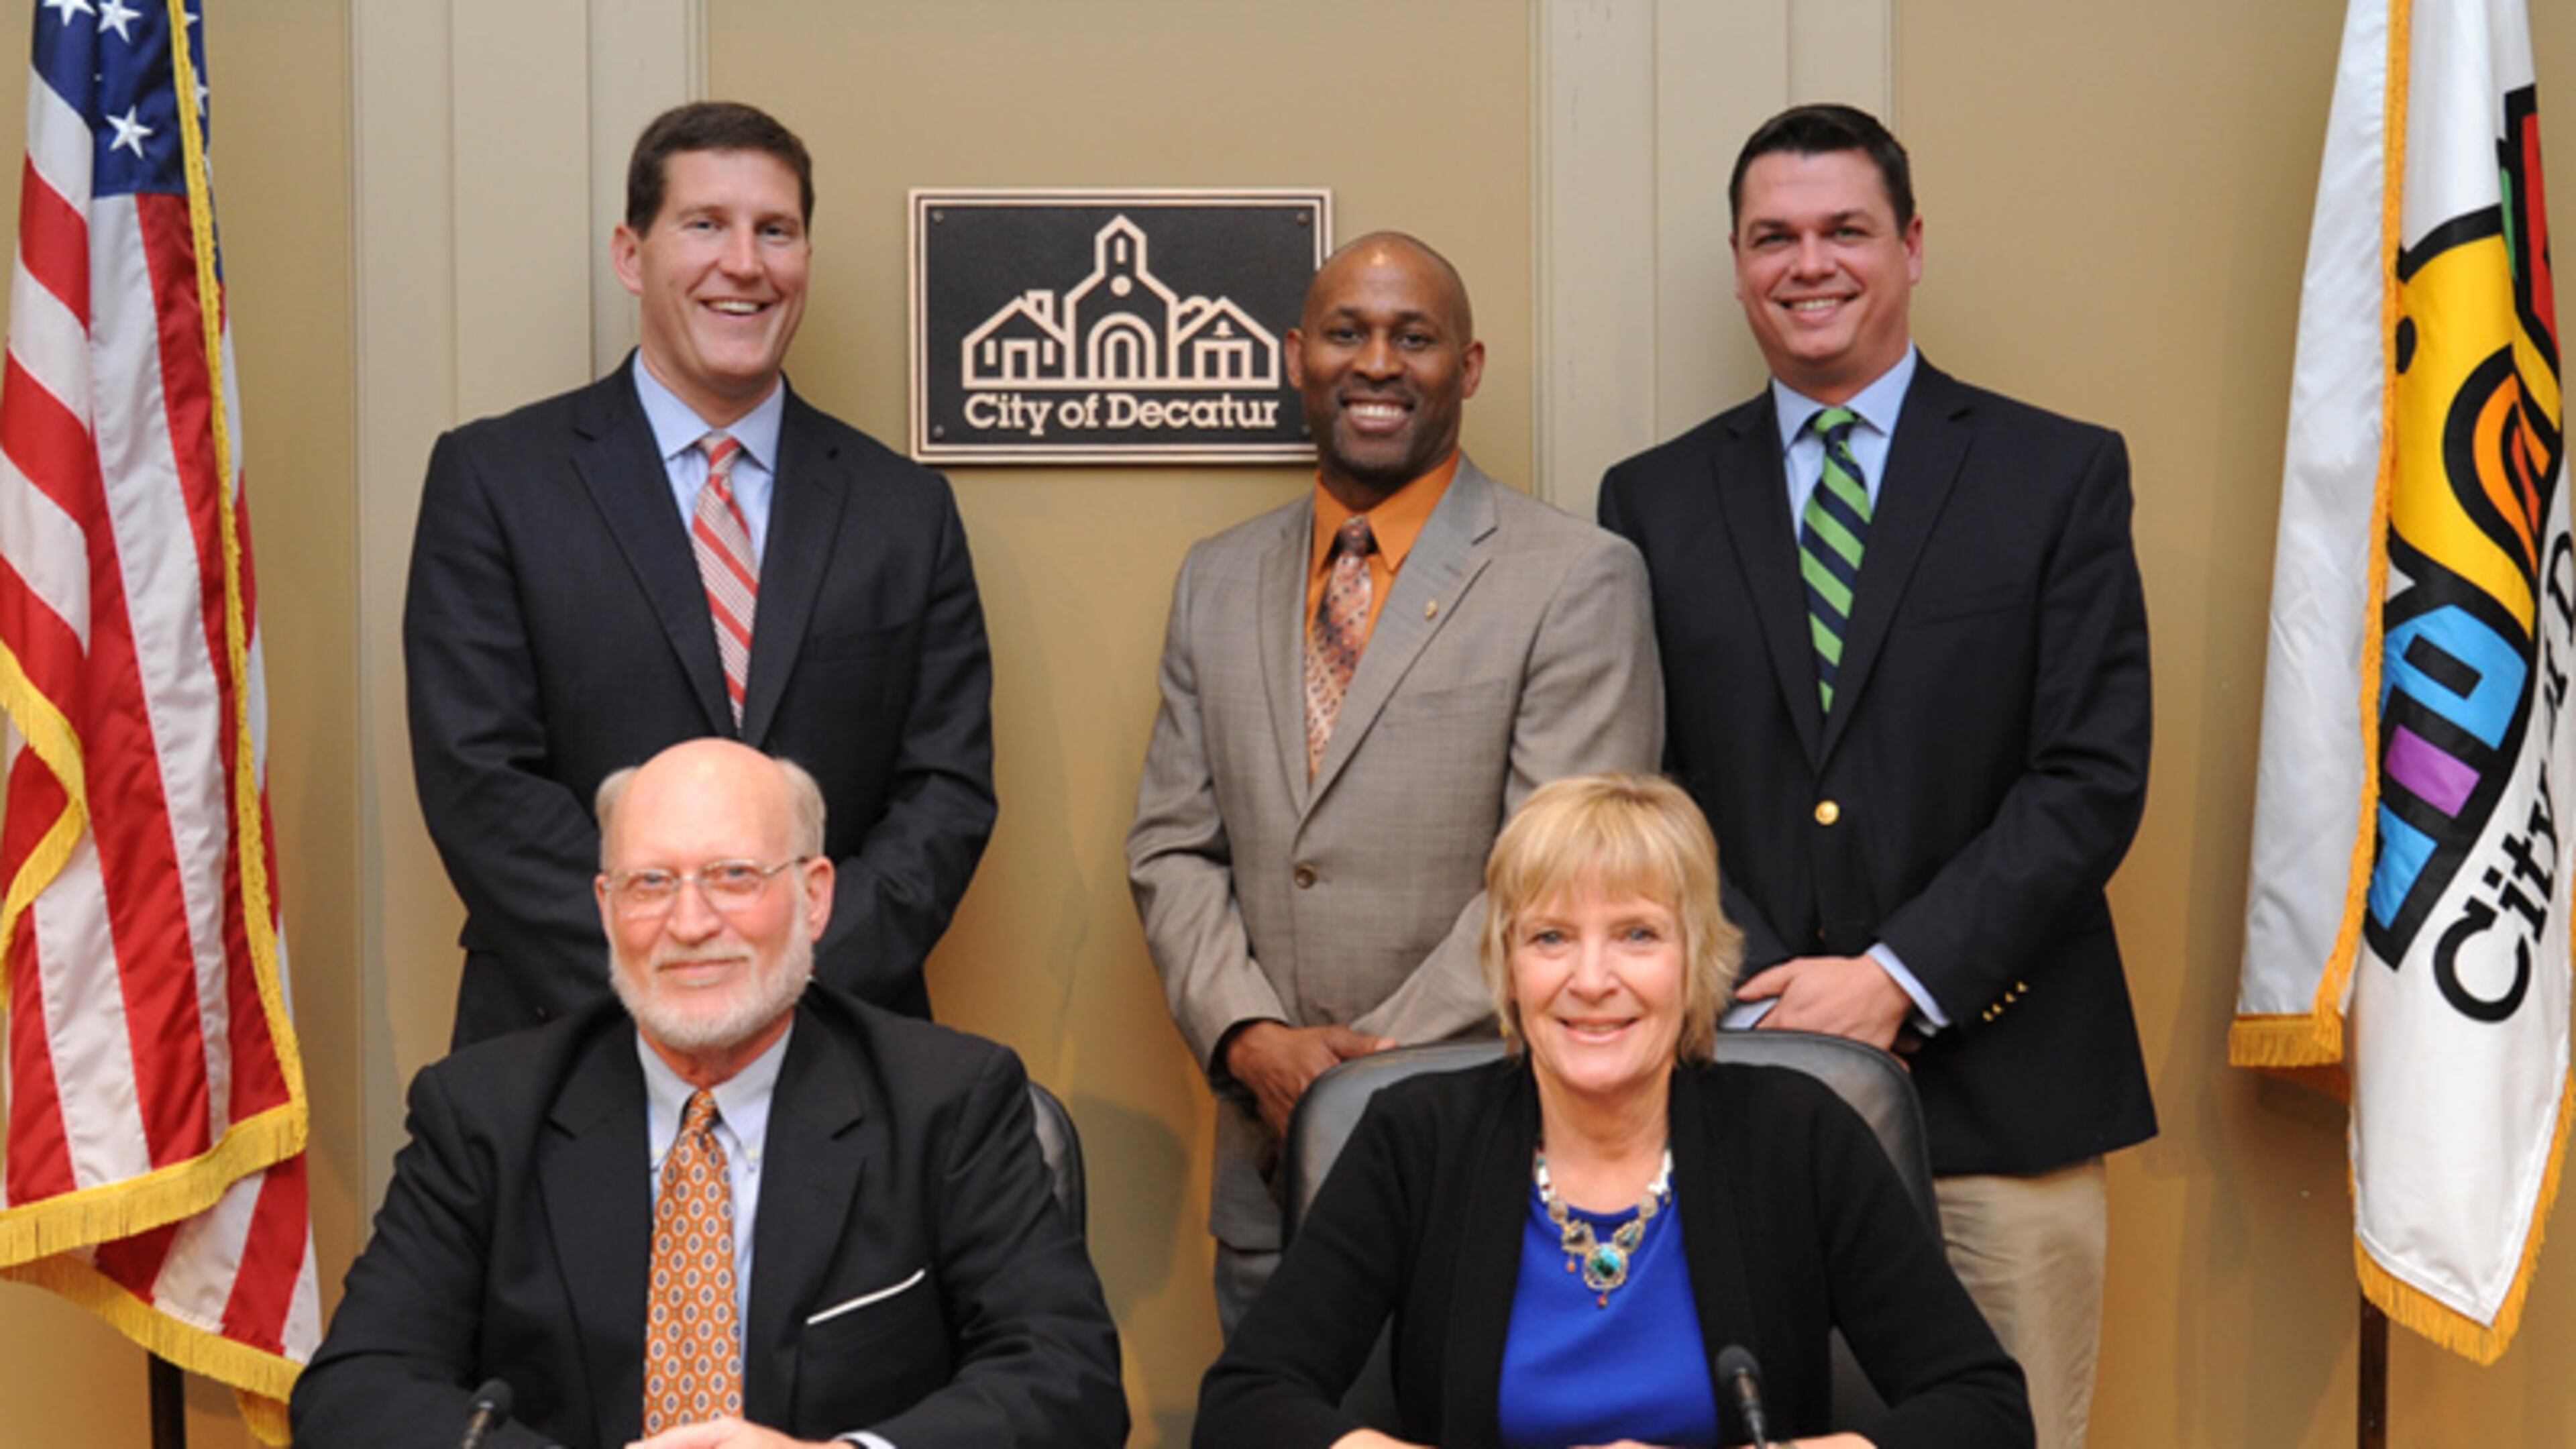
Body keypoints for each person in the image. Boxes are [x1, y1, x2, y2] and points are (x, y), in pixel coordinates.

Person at [1595, 103, 2153, 1449]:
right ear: (1737, 263)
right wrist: (1780, 988)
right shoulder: (1652, 500)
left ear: (1910, 246)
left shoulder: (2057, 473)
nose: (1810, 264)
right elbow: (1645, 785)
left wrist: (1896, 979)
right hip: (1739, 1092)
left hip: (2002, 1099)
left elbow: (2088, 775)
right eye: (1774, 237)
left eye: (1846, 230)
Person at [290, 740, 1122, 1449]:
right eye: (651, 883)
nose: (689, 924)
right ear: (607, 908)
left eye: (733, 875)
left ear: (815, 894)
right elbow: (353, 1393)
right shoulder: (482, 1112)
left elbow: (1068, 1378)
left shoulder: (947, 1101)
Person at [1127, 231, 1664, 1330]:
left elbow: (1563, 884)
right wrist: (1253, 1040)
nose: (1378, 362)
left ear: (1466, 368)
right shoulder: (1215, 580)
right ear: (1296, 357)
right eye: (1347, 333)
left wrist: (1360, 1080)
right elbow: (1174, 846)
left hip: (1491, 1154)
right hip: (1269, 1177)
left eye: (1413, 338)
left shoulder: (1576, 577)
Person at [1196, 773, 2031, 1449]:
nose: (1592, 980)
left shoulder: (1799, 1133)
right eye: (1551, 938)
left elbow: (1983, 1409)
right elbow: (1245, 1408)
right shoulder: (1414, 1138)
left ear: (1697, 960)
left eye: (1637, 935)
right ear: (1507, 967)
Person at [407, 101, 994, 1047]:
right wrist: (666, 982)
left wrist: (787, 985)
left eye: (777, 231)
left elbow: (946, 791)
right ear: (631, 255)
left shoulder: (904, 510)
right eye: (705, 225)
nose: (746, 264)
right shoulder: (496, 481)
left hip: (838, 1041)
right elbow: (480, 780)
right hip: (566, 1040)